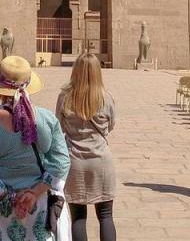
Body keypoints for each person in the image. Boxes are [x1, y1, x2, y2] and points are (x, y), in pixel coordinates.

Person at [0, 55, 70, 241]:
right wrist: (35, 193)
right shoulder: (47, 119)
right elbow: (61, 162)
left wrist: (8, 198)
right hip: (37, 208)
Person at [56, 52, 117, 241]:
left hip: (75, 160)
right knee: (105, 215)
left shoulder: (65, 97)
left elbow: (58, 127)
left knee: (78, 217)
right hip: (101, 161)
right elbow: (111, 125)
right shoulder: (106, 98)